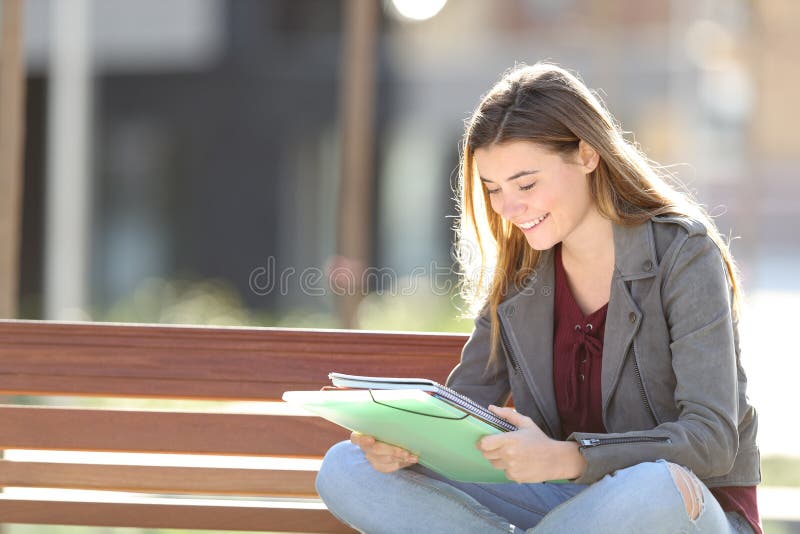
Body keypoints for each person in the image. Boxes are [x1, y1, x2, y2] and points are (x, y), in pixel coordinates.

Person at [315, 62, 761, 533]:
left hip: (676, 508)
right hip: (561, 505)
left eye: (526, 184)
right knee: (348, 467)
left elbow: (711, 440)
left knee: (656, 487)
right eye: (493, 190)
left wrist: (569, 457)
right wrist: (405, 443)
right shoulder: (519, 270)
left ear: (587, 155)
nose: (509, 208)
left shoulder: (684, 254)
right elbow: (464, 408)